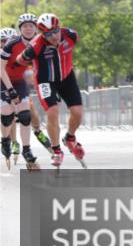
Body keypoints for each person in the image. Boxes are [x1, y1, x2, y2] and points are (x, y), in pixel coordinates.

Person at [12, 13, 87, 167]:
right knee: (52, 112)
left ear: (59, 27)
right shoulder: (35, 45)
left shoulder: (71, 35)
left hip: (67, 77)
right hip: (45, 81)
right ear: (41, 34)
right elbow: (19, 60)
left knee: (78, 113)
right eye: (47, 34)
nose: (53, 36)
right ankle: (57, 150)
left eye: (55, 31)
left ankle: (70, 138)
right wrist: (27, 62)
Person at [0, 13, 53, 156]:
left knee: (26, 113)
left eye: (31, 26)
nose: (4, 43)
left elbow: (35, 68)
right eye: (2, 41)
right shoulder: (9, 47)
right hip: (3, 82)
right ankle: (8, 140)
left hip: (19, 80)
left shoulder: (37, 44)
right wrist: (10, 90)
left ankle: (34, 136)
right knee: (7, 114)